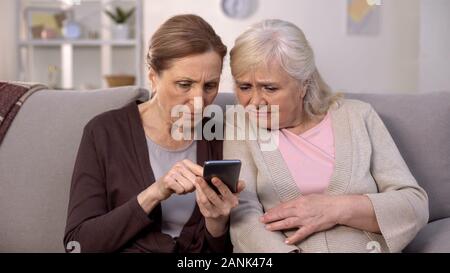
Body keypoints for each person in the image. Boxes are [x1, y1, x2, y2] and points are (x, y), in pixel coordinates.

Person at [226, 19, 429, 253]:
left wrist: (335, 209)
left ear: (304, 85)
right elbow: (243, 215)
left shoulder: (358, 115)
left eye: (270, 88)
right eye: (244, 87)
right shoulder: (239, 122)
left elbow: (414, 204)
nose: (255, 102)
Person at [64, 14, 243, 253]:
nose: (200, 102)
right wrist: (154, 193)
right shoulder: (103, 133)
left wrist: (217, 223)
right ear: (153, 77)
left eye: (210, 86)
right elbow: (77, 245)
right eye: (184, 84)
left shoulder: (220, 135)